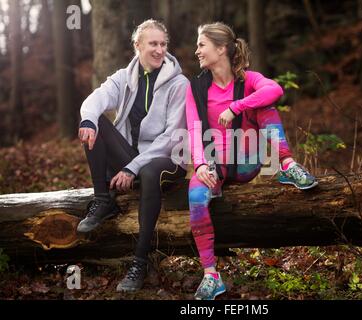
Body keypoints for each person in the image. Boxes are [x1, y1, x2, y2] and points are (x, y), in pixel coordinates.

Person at [186, 22, 318, 300]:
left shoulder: (249, 80)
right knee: (196, 195)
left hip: (248, 160)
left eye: (201, 44)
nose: (196, 51)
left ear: (221, 48)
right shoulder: (196, 87)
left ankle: (288, 165)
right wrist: (199, 165)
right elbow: (194, 131)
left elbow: (276, 90)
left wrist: (236, 106)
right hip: (216, 165)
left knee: (265, 105)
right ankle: (211, 276)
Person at [77, 19, 188, 292]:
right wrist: (88, 120)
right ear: (138, 45)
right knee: (96, 123)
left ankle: (140, 261)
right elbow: (97, 97)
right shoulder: (125, 77)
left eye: (163, 44)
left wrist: (132, 168)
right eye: (153, 44)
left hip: (168, 160)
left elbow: (172, 136)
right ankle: (104, 200)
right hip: (132, 158)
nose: (159, 50)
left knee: (150, 171)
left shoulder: (179, 84)